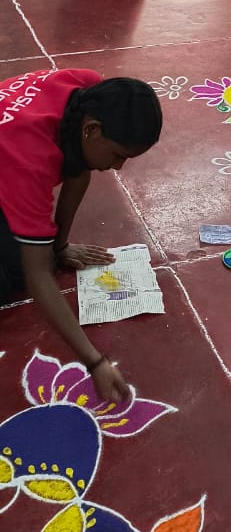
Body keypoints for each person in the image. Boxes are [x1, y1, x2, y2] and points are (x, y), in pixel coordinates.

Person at [0, 69, 162, 400]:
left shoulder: (87, 88)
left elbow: (79, 168)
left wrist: (59, 247)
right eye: (119, 156)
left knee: (33, 254)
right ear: (91, 130)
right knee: (12, 277)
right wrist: (96, 361)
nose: (119, 168)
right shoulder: (29, 160)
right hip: (10, 158)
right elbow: (37, 277)